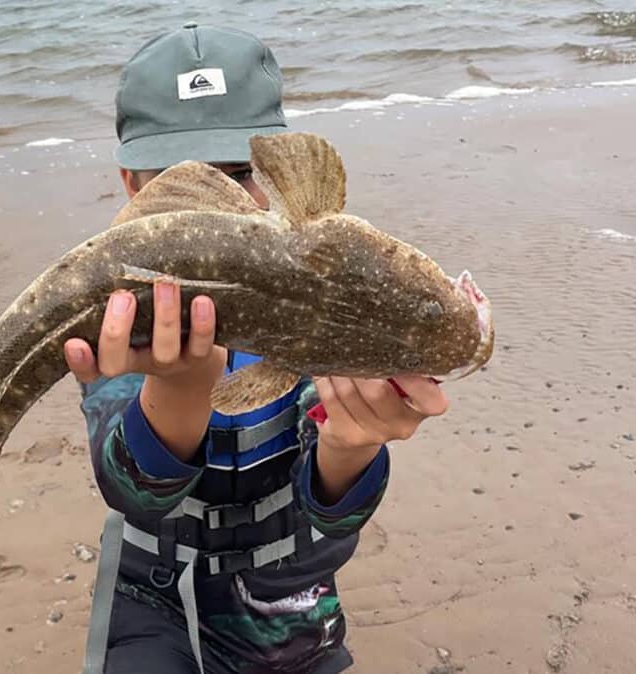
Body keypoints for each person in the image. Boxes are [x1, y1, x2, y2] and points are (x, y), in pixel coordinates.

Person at [63, 23, 449, 674]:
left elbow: (333, 516)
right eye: (181, 177)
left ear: (279, 173)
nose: (221, 204)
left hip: (290, 602)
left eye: (240, 173)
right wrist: (179, 387)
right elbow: (131, 492)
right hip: (152, 597)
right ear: (133, 187)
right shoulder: (119, 312)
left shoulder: (324, 298)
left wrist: (354, 443)